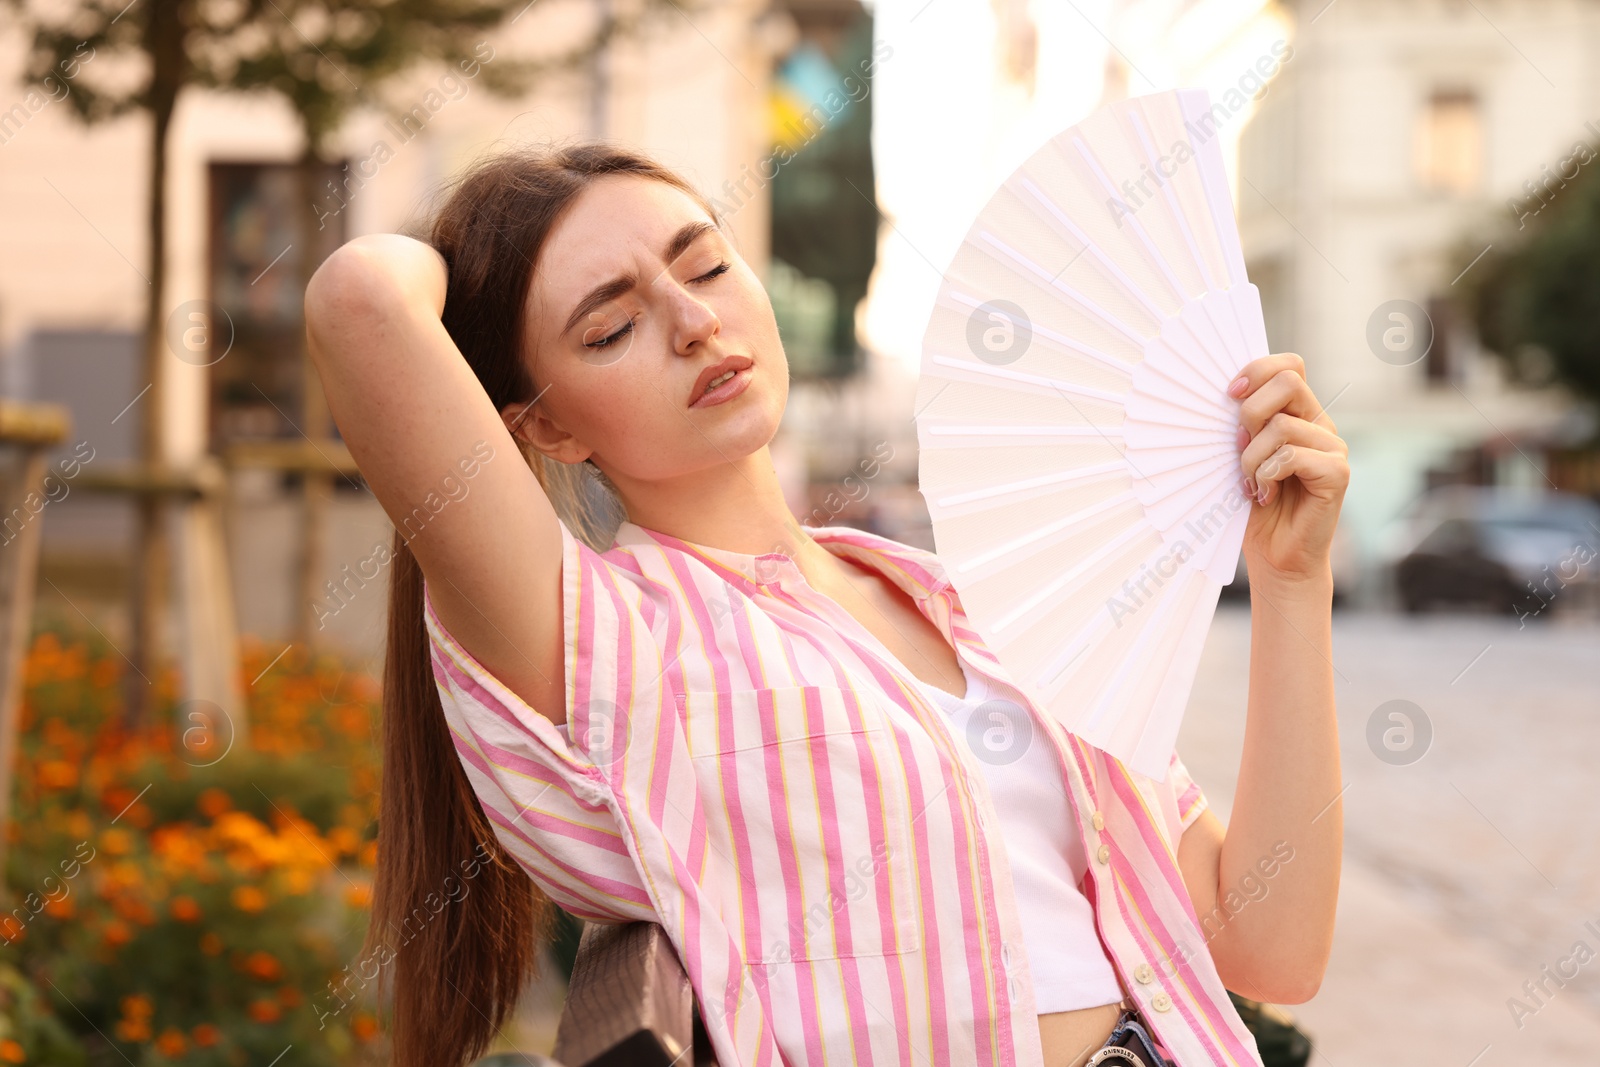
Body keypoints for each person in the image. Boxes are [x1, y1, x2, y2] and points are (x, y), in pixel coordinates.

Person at [304, 142, 1346, 1067]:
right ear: (547, 426)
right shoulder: (610, 641)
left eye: (705, 262)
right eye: (611, 325)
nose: (692, 319)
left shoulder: (970, 599)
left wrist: (1292, 582)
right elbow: (364, 301)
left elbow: (1267, 942)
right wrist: (482, 244)